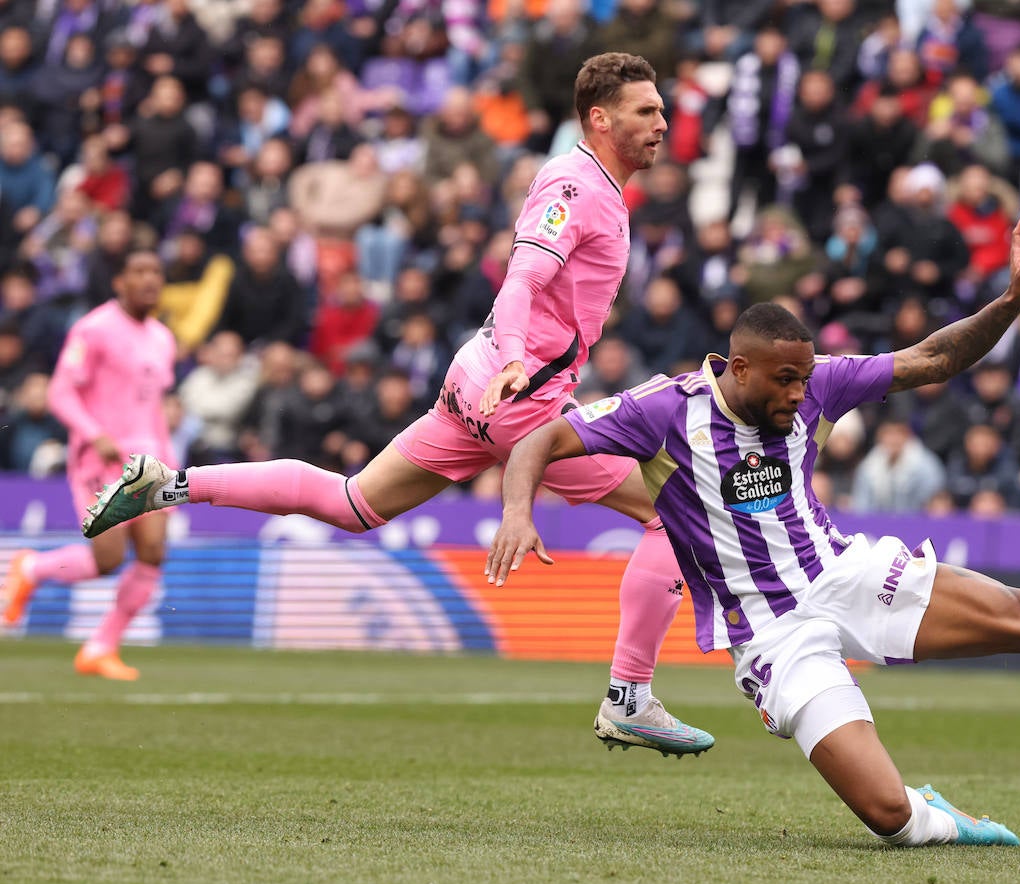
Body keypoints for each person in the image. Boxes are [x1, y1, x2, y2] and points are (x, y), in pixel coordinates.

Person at [486, 214, 1020, 848]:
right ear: (737, 368)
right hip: (771, 636)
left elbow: (933, 359)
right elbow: (539, 437)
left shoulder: (823, 383)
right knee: (888, 817)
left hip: (844, 573)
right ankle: (932, 816)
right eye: (784, 379)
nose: (801, 393)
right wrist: (519, 508)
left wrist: (1010, 302)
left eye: (806, 375)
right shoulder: (667, 410)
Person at [80, 53, 713, 757]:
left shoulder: (590, 184)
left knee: (354, 504)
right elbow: (522, 278)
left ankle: (167, 483)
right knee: (675, 510)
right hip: (518, 394)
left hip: (477, 382)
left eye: (661, 110)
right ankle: (630, 695)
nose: (663, 122)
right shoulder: (577, 184)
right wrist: (513, 362)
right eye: (647, 111)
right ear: (601, 118)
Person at [1, 249, 175, 680]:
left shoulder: (162, 337)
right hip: (101, 457)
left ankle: (101, 647)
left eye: (156, 271)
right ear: (119, 282)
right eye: (139, 271)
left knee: (153, 552)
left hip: (150, 461)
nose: (150, 280)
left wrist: (169, 461)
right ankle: (32, 568)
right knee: (108, 559)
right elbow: (61, 392)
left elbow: (153, 407)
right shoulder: (93, 329)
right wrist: (94, 433)